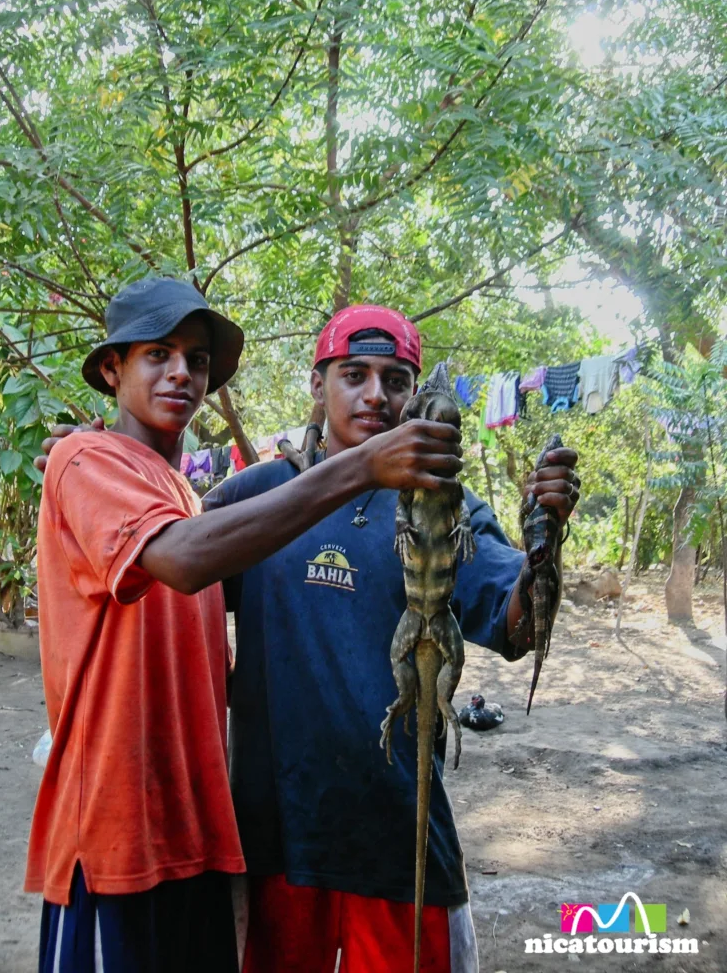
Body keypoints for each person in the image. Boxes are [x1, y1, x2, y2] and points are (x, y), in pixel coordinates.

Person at [27, 282, 465, 973]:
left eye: (197, 360)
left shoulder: (184, 494)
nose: (181, 373)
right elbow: (181, 559)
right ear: (112, 368)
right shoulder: (88, 461)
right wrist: (359, 467)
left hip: (197, 835)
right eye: (158, 354)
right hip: (117, 838)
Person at [202, 306, 579, 973]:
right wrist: (105, 462)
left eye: (396, 380)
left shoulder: (445, 504)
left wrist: (544, 539)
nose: (376, 395)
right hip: (278, 840)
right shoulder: (255, 495)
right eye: (355, 375)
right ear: (317, 385)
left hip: (400, 842)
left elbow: (517, 625)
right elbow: (162, 568)